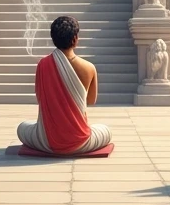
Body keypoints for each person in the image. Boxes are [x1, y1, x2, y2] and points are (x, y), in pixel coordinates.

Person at [17, 15, 112, 155]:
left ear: (53, 38)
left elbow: (40, 98)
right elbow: (90, 101)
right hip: (81, 141)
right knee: (106, 130)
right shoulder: (89, 67)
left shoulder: (43, 65)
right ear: (75, 39)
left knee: (22, 128)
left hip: (47, 141)